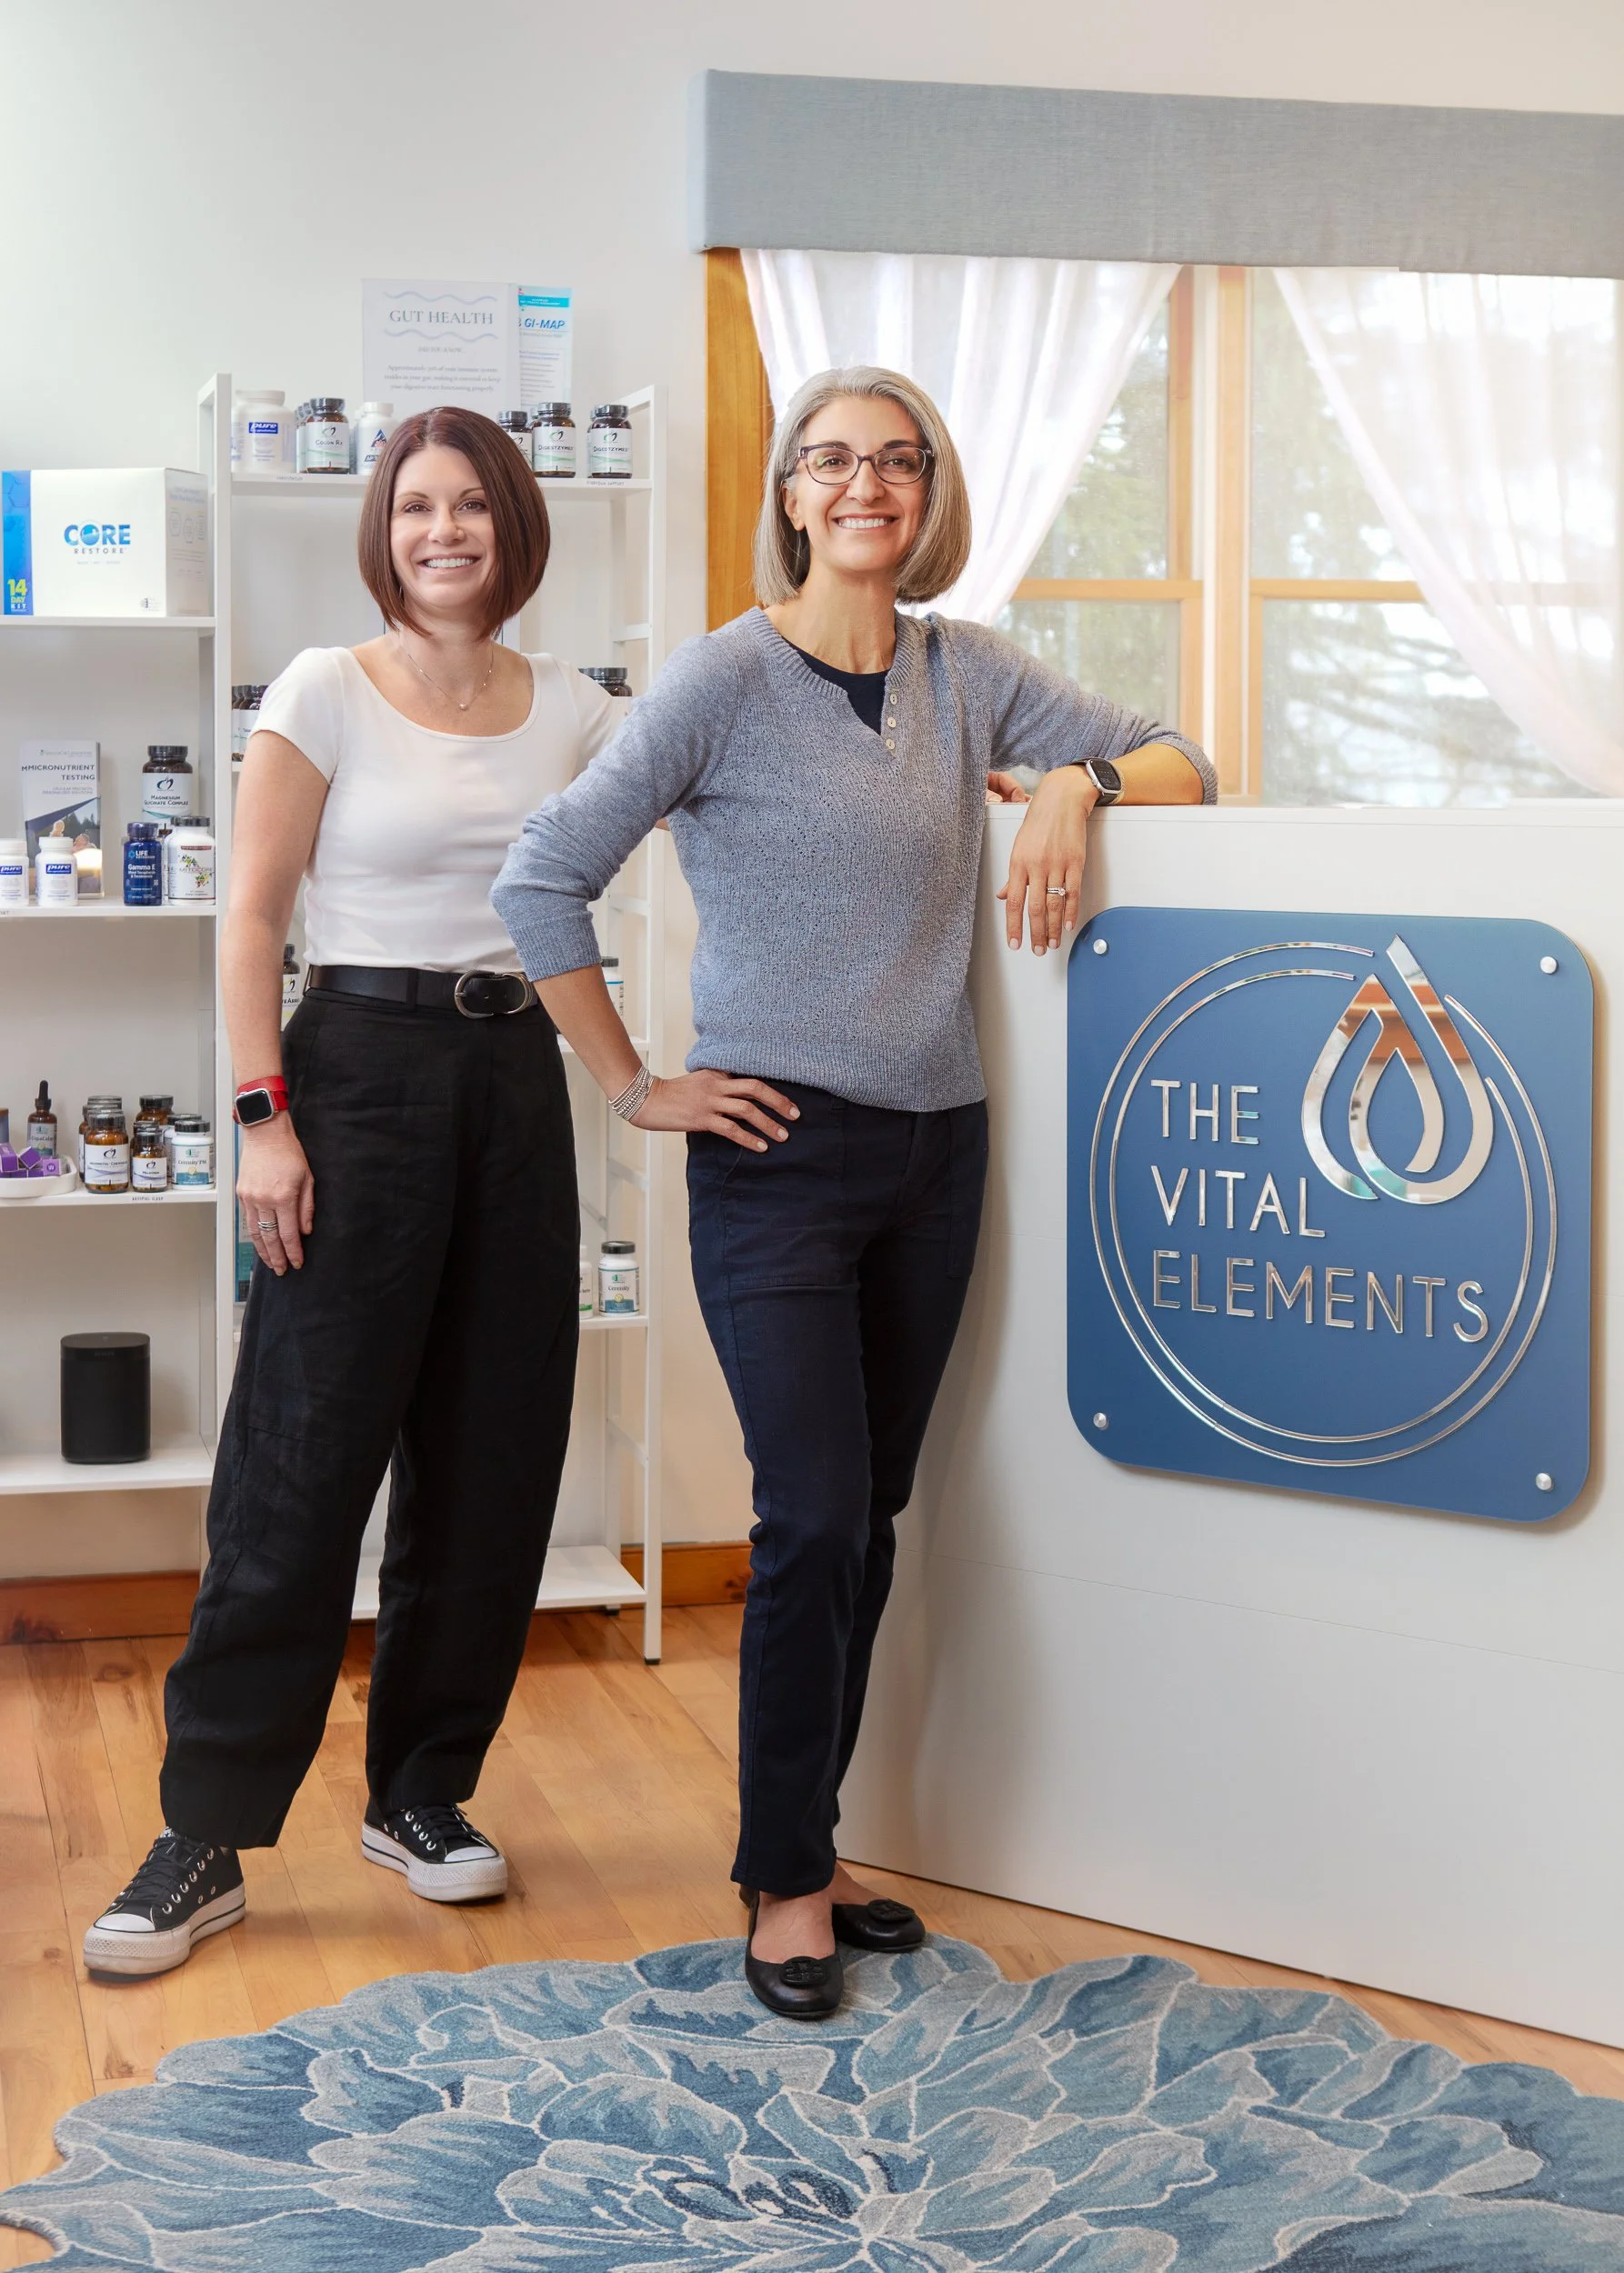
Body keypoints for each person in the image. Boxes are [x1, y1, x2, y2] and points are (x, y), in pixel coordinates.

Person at [494, 365, 1216, 2018]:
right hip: (777, 1162)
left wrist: (1078, 785)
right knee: (811, 1516)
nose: (865, 486)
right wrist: (633, 1082)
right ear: (792, 494)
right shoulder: (721, 679)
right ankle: (781, 1880)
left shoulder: (969, 674)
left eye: (897, 462)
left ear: (929, 493)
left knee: (868, 1517)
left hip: (934, 1155)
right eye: (831, 461)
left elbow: (1184, 755)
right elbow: (542, 876)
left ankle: (808, 1841)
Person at [84, 406, 623, 1977]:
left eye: (470, 505)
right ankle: (204, 1833)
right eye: (414, 508)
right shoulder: (322, 688)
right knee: (300, 1462)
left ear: (514, 524)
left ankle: (422, 1794)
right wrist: (265, 1119)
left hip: (513, 1078)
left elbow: (715, 791)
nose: (442, 531)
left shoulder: (577, 710)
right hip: (355, 1075)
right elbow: (251, 920)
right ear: (381, 532)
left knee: (493, 1452)